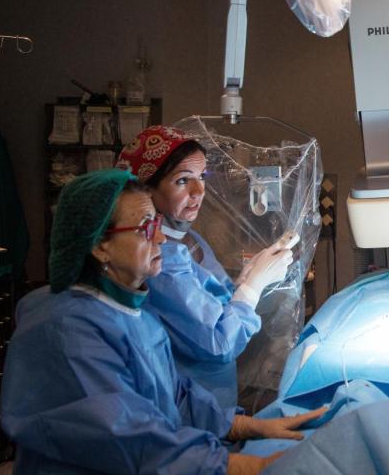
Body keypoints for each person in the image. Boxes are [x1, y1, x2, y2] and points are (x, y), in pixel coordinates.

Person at [0, 169, 325, 474]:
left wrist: (246, 426)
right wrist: (247, 466)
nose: (160, 240)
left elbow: (174, 396)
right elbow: (126, 438)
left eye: (157, 224)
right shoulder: (67, 328)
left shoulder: (132, 315)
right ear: (100, 245)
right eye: (145, 228)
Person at [116, 125, 293, 407]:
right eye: (183, 181)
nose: (199, 191)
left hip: (215, 404)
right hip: (189, 412)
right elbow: (219, 341)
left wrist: (246, 279)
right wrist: (253, 286)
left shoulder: (191, 239)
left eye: (202, 177)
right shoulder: (159, 262)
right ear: (146, 190)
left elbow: (213, 304)